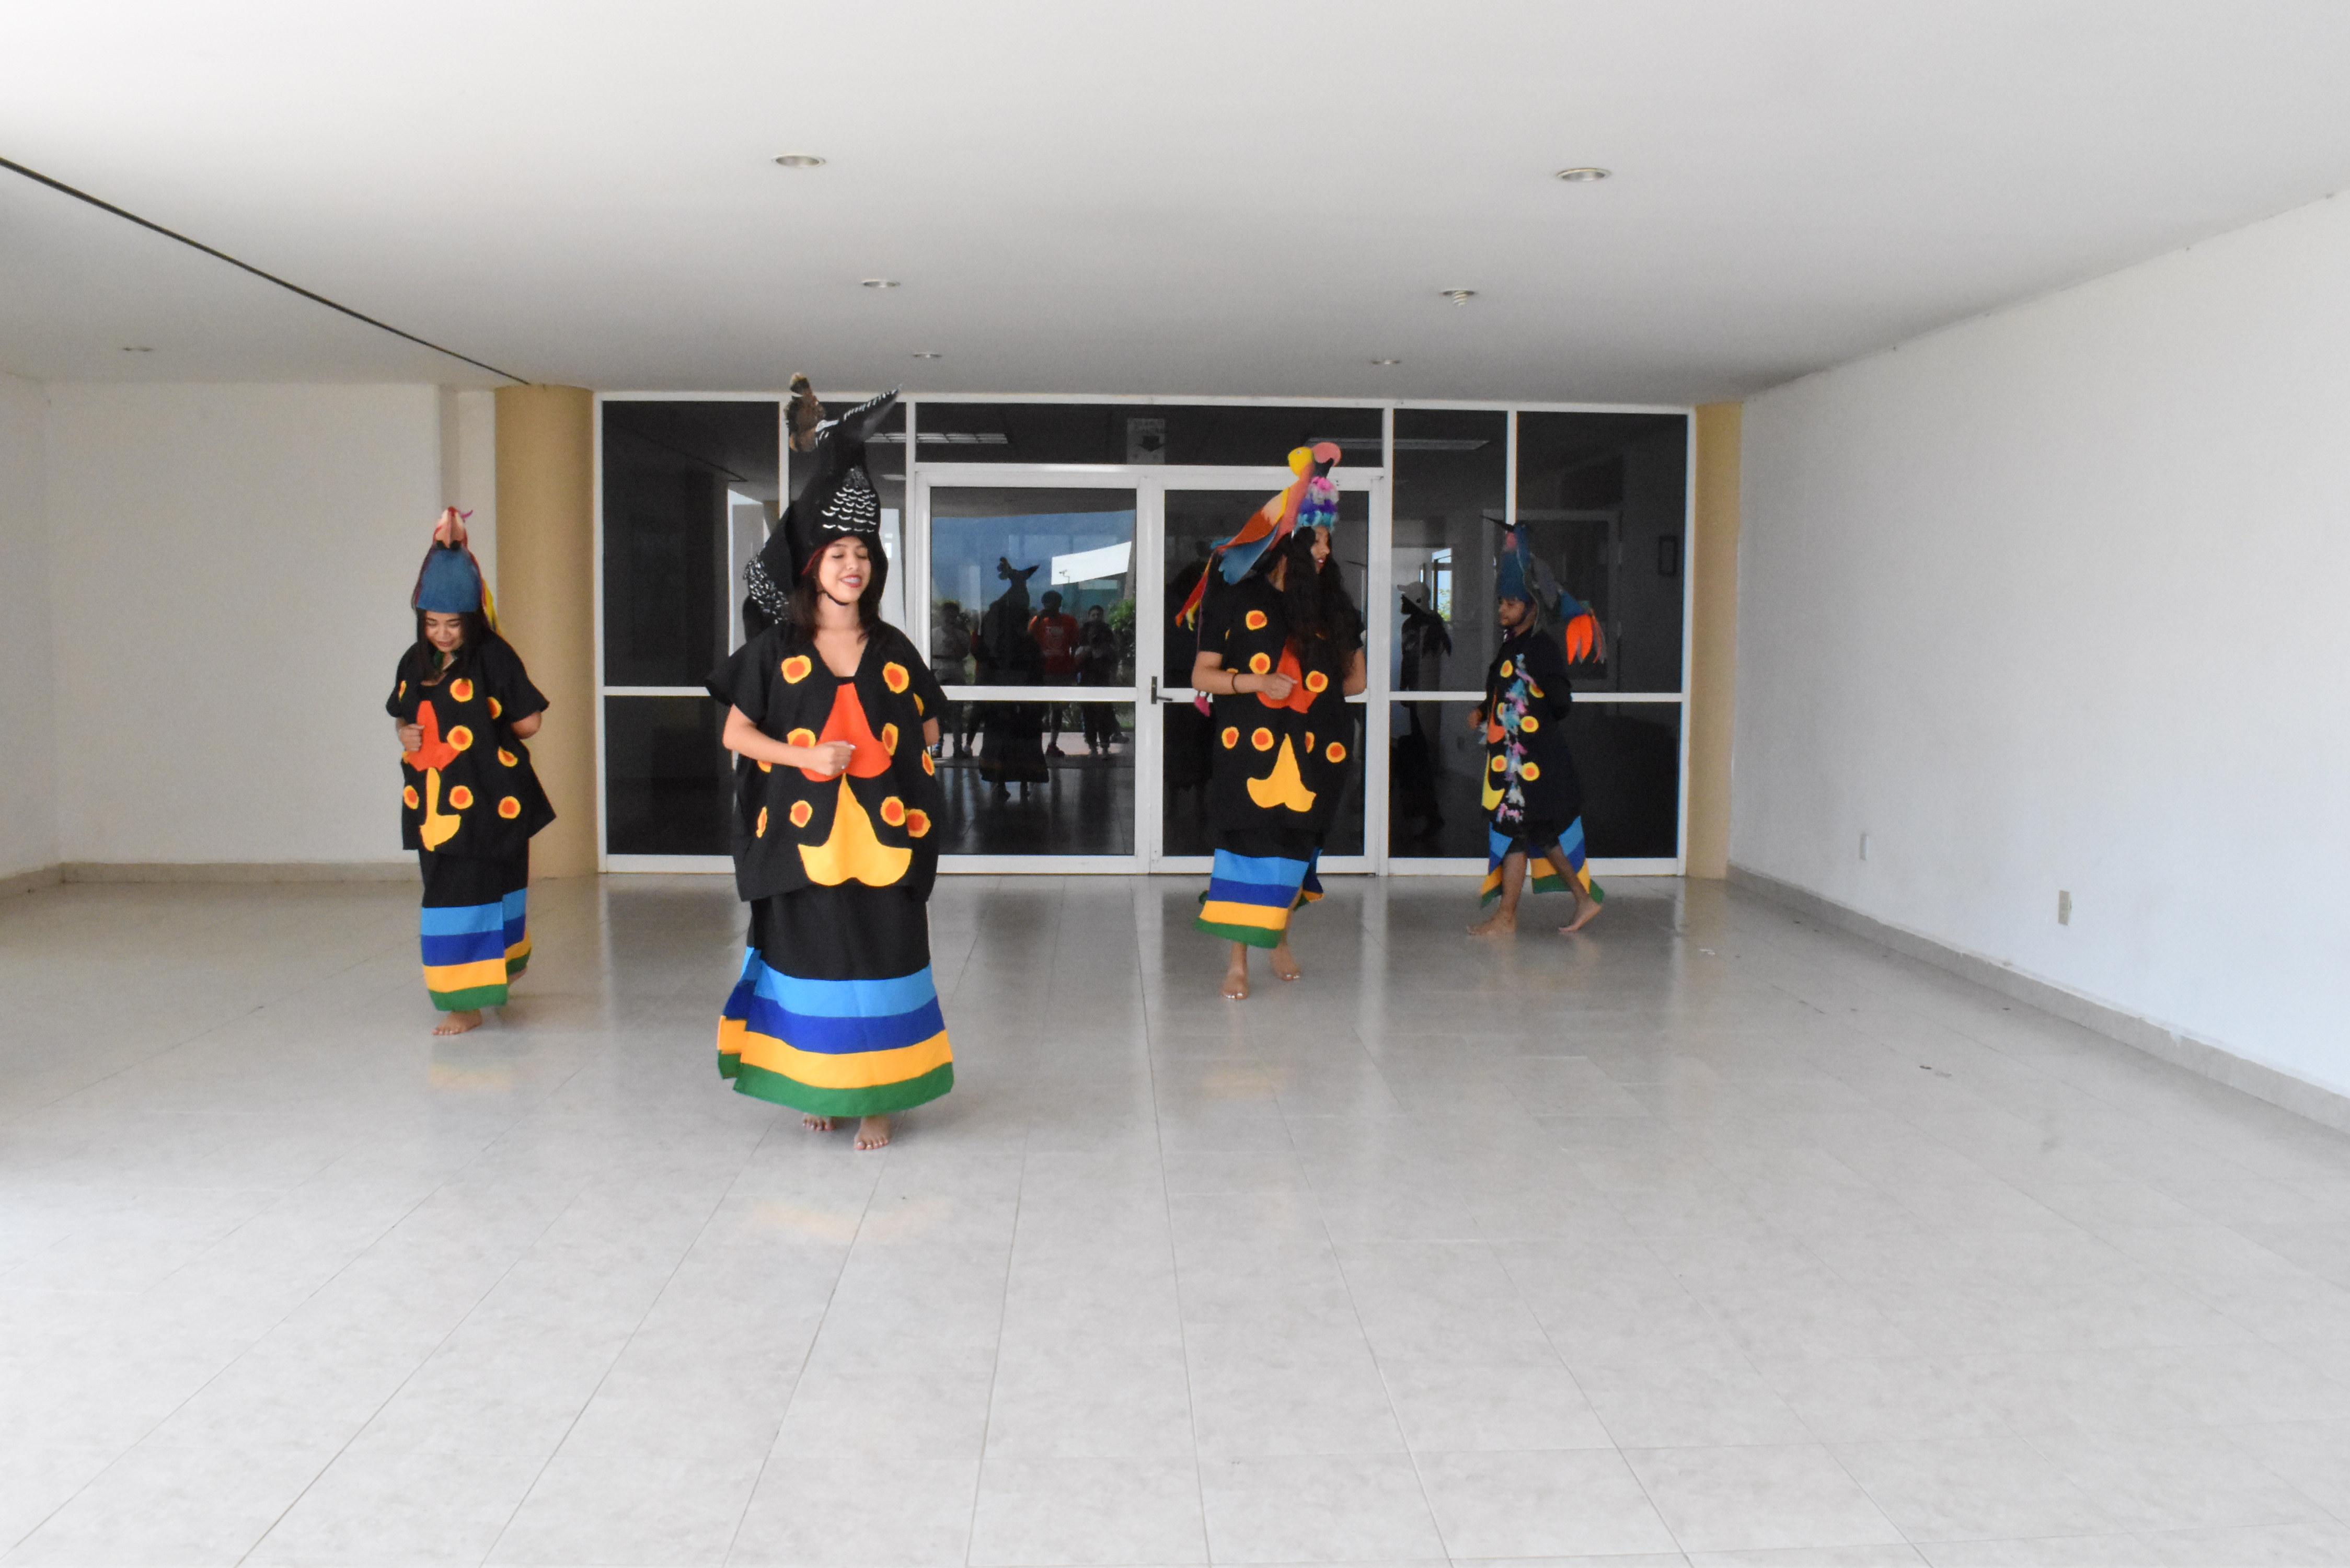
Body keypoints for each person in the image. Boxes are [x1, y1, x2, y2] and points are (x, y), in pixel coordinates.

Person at [713, 385, 951, 1151]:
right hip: (801, 844)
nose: (853, 566)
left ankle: (878, 1100)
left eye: (863, 555)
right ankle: (822, 1085)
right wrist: (806, 755)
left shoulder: (893, 649)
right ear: (813, 566)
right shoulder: (775, 650)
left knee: (883, 957)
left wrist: (920, 747)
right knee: (813, 961)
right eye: (838, 555)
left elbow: (930, 718)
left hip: (883, 842)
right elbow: (737, 734)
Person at [1183, 443, 1365, 1000]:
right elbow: (1202, 674)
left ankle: (1278, 935)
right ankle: (1238, 960)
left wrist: (1325, 664)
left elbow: (1355, 684)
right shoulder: (1234, 599)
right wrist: (1256, 683)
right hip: (1248, 751)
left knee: (1294, 849)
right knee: (1246, 850)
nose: (1323, 550)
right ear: (1285, 547)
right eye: (1315, 541)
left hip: (1316, 752)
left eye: (1328, 542)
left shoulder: (1336, 609)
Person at [386, 508, 555, 1036]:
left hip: (489, 798)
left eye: (451, 624)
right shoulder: (414, 663)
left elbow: (529, 723)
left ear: (472, 620)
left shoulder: (495, 656)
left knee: (484, 890)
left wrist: (486, 728)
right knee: (451, 895)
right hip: (434, 802)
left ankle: (470, 998)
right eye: (431, 624)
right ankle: (475, 986)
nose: (440, 634)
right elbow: (404, 720)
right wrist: (407, 735)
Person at [1467, 527, 1606, 938]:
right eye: (1501, 602)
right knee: (1537, 835)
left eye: (1510, 603)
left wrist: (1539, 698)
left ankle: (1509, 917)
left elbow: (1561, 703)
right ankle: (1581, 899)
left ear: (1530, 608)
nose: (1502, 610)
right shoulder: (1511, 647)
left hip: (1535, 766)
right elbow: (1501, 694)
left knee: (1520, 833)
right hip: (1515, 764)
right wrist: (1481, 711)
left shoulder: (1542, 648)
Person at [976, 559, 1047, 795]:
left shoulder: (1023, 643)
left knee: (1009, 734)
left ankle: (1007, 781)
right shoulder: (1017, 642)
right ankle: (1009, 780)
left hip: (1012, 692)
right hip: (1007, 691)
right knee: (1012, 734)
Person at [1029, 589, 1080, 755]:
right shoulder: (1038, 621)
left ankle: (1053, 743)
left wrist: (1074, 667)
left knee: (1057, 710)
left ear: (1059, 605)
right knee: (1039, 709)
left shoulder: (1069, 621)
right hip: (1042, 672)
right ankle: (1035, 744)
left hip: (1062, 671)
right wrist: (1038, 620)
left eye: (1053, 604)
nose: (1050, 607)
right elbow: (1028, 641)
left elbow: (1075, 645)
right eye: (1047, 604)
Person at [1075, 602, 1124, 753]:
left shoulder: (1108, 633)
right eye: (1093, 615)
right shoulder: (1082, 633)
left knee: (1104, 714)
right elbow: (1076, 658)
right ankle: (1092, 745)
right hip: (1086, 679)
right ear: (1089, 617)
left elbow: (1114, 657)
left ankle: (1104, 744)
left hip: (1103, 679)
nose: (1096, 617)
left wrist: (1105, 651)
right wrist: (1087, 650)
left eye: (1099, 615)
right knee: (1088, 714)